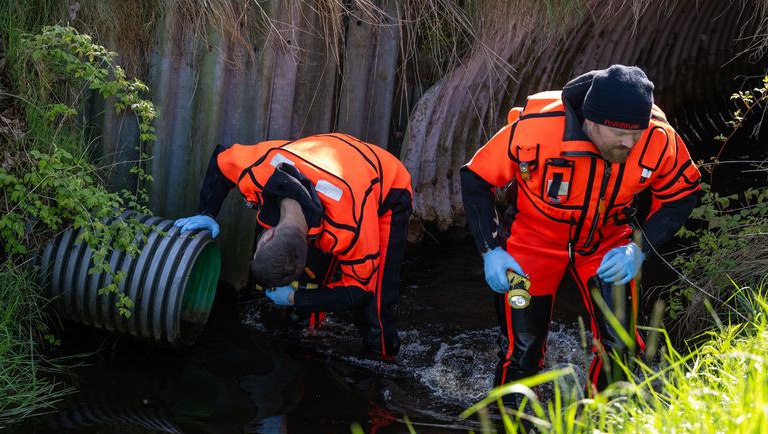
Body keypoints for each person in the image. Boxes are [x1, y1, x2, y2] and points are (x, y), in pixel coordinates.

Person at [460, 64, 700, 400]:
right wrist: (490, 250)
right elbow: (476, 178)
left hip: (607, 243)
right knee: (522, 351)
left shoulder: (658, 138)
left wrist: (638, 248)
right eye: (619, 134)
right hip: (533, 242)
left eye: (636, 133)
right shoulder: (537, 128)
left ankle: (594, 429)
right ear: (591, 120)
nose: (629, 143)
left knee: (621, 347)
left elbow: (683, 195)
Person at [173, 133, 413, 360]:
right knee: (309, 286)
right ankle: (307, 335)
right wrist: (207, 213)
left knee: (375, 307)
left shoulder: (347, 230)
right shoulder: (258, 171)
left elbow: (360, 291)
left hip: (387, 187)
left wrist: (295, 298)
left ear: (267, 238)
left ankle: (384, 361)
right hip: (331, 161)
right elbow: (220, 160)